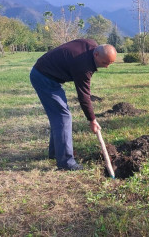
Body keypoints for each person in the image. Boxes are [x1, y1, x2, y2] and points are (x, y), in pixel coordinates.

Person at [30, 39, 117, 171]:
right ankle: (66, 162)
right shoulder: (83, 65)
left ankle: (56, 153)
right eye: (105, 63)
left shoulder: (93, 47)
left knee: (59, 116)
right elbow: (84, 97)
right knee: (63, 116)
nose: (106, 66)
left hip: (46, 74)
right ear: (96, 55)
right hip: (44, 78)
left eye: (110, 63)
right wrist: (92, 120)